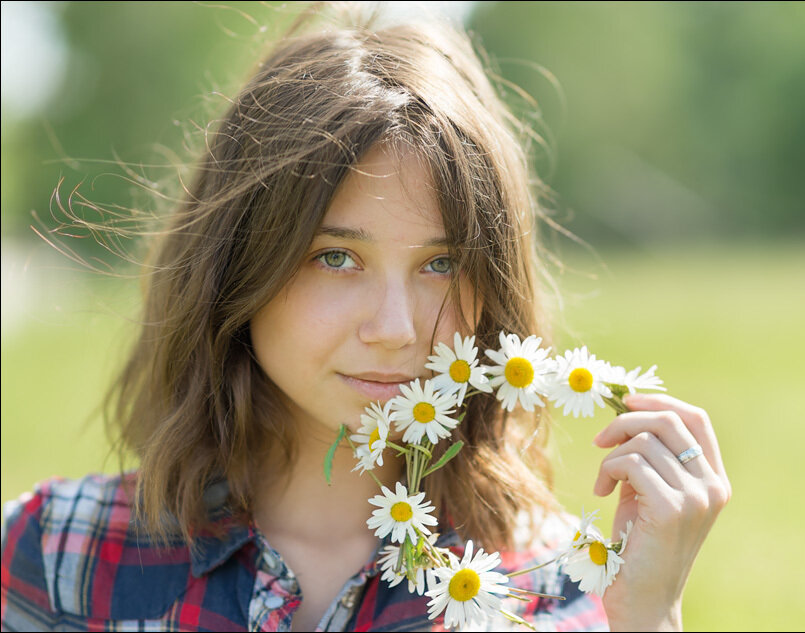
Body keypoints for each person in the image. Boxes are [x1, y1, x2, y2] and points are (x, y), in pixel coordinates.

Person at [0, 4, 730, 631]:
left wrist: (650, 614)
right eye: (336, 258)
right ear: (236, 266)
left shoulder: (553, 584)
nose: (396, 327)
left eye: (441, 264)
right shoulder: (59, 555)